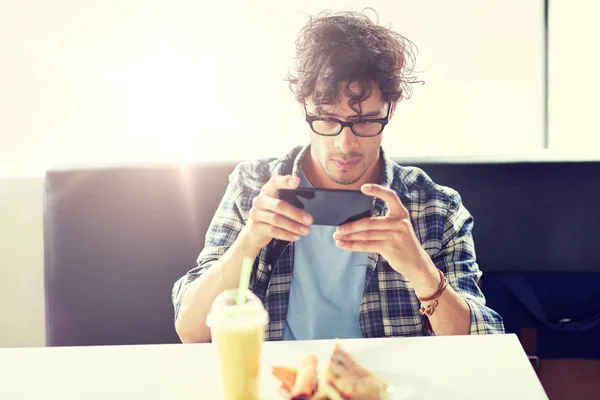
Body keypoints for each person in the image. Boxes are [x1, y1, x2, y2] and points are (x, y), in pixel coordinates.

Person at [172, 10, 504, 343]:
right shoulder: (252, 187)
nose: (346, 144)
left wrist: (423, 273)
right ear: (305, 107)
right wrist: (249, 241)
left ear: (391, 110)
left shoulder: (436, 207)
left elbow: (484, 342)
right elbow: (191, 330)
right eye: (328, 120)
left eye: (366, 122)